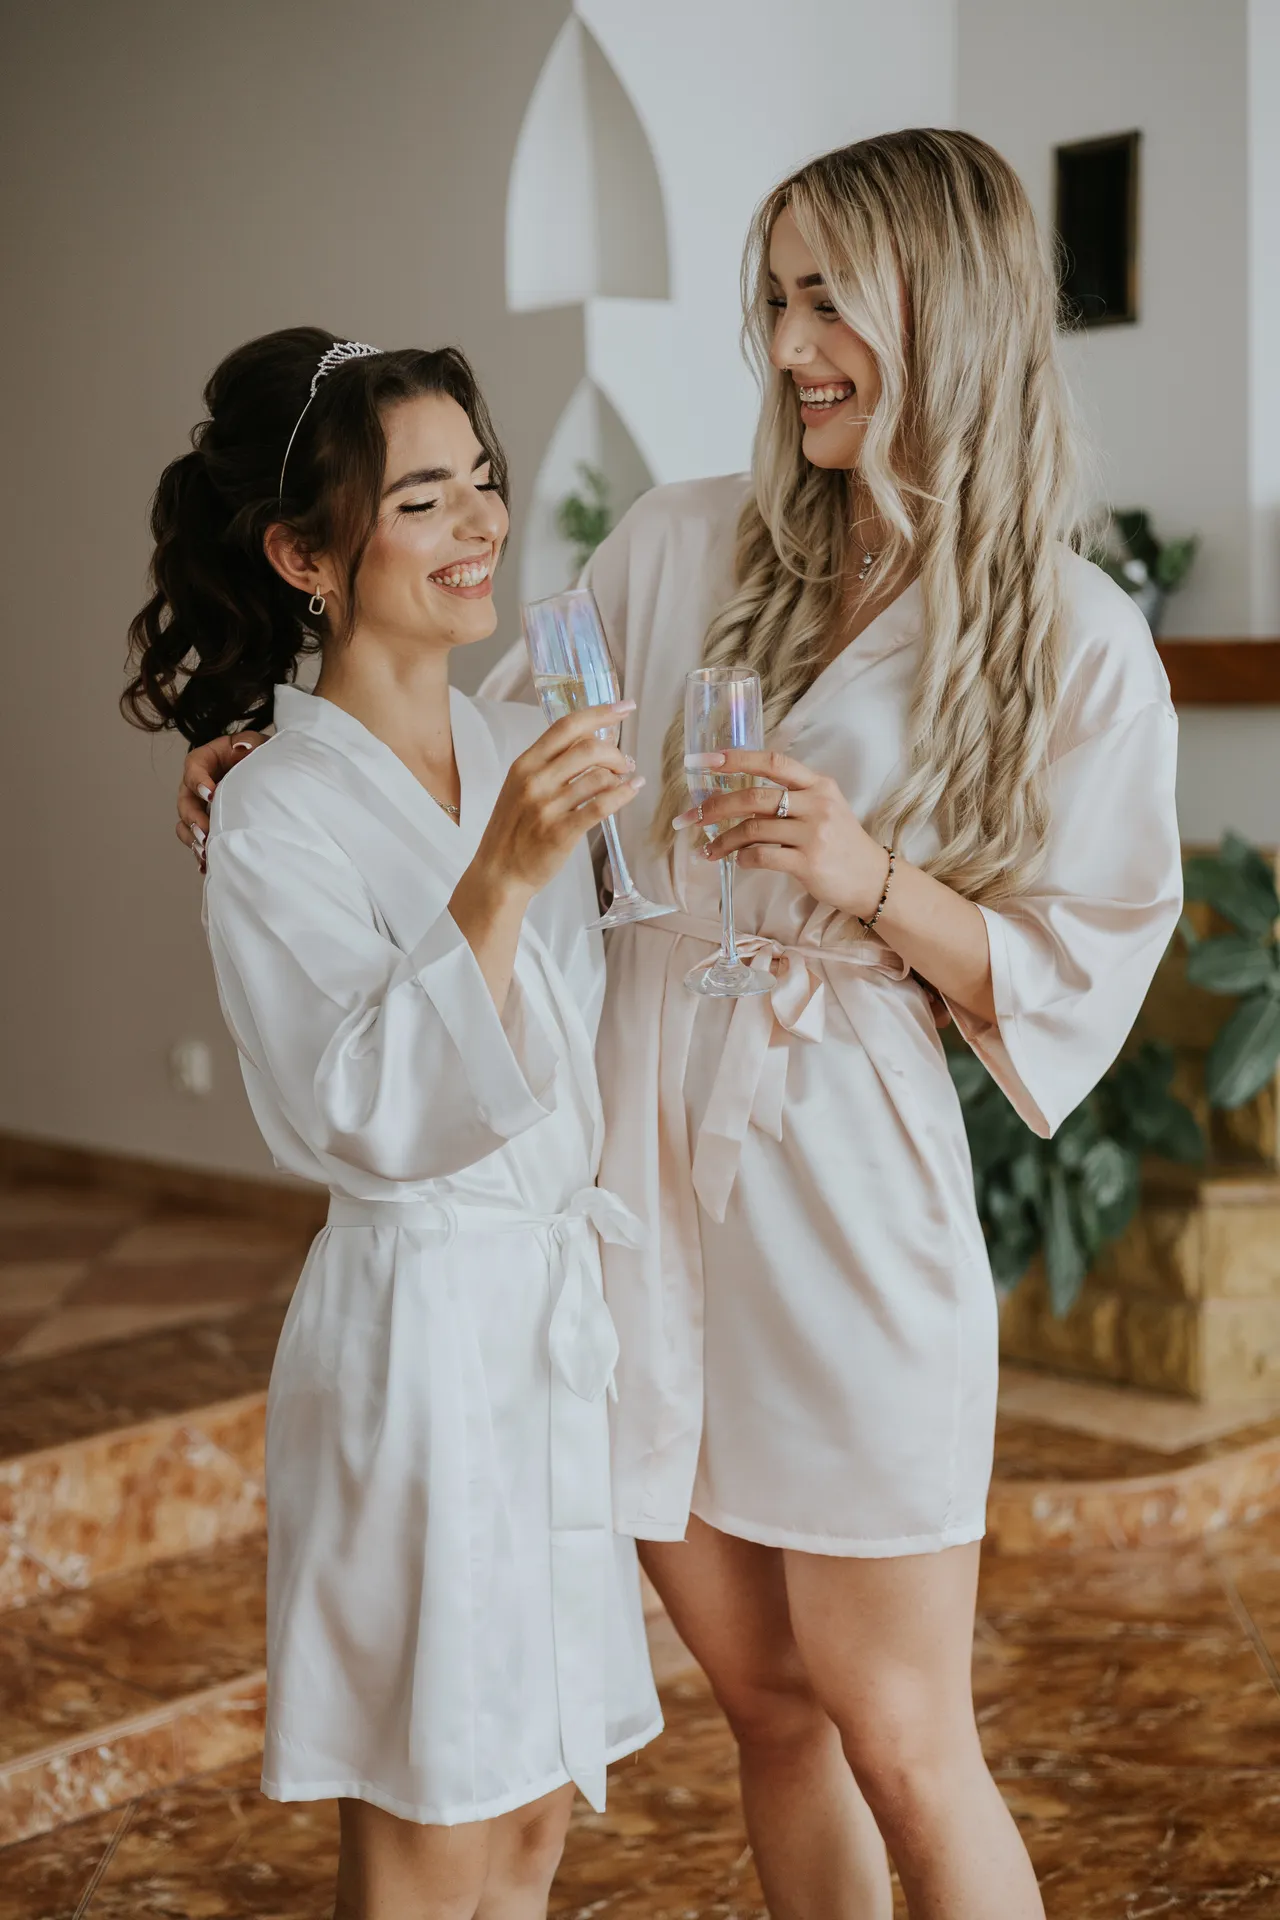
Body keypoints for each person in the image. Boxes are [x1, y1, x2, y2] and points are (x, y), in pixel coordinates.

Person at [175, 131, 1183, 1920]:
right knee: (770, 1710)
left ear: (944, 310)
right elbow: (471, 735)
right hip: (633, 1189)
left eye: (829, 302)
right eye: (774, 300)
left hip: (844, 1182)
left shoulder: (1077, 638)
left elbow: (1081, 956)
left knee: (901, 1734)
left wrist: (871, 880)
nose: (788, 346)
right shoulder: (684, 542)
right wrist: (262, 745)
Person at [126, 327, 660, 1920]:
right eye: (421, 500)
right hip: (421, 1338)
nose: (480, 521)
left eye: (481, 481)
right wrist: (499, 877)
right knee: (433, 1825)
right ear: (305, 556)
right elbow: (353, 1104)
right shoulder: (273, 809)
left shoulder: (507, 739)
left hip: (549, 1327)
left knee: (534, 1822)